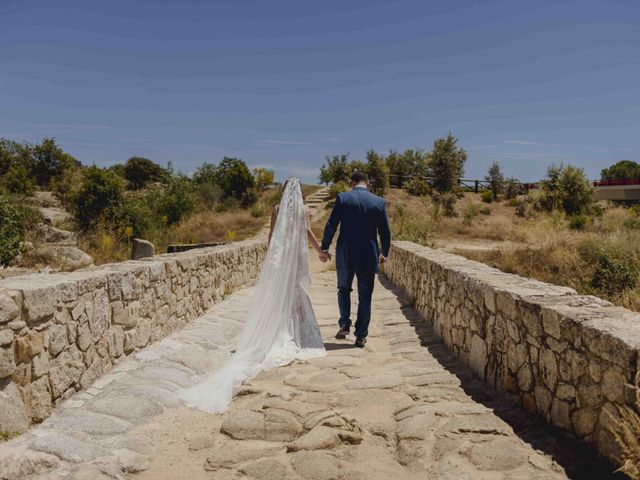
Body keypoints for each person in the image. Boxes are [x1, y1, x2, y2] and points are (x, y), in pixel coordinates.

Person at [180, 177, 326, 413]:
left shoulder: (276, 208)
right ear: (299, 193)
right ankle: (296, 334)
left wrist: (271, 259)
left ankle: (281, 330)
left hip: (282, 257)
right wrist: (319, 250)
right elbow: (306, 231)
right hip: (297, 257)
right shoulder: (304, 209)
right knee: (297, 293)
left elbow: (272, 236)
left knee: (280, 296)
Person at [321, 171, 391, 348]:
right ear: (367, 183)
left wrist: (325, 246)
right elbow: (385, 232)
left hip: (346, 253)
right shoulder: (379, 202)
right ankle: (361, 336)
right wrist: (384, 253)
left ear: (352, 183)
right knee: (365, 296)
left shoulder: (343, 198)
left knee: (343, 289)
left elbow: (331, 224)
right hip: (368, 254)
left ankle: (344, 323)